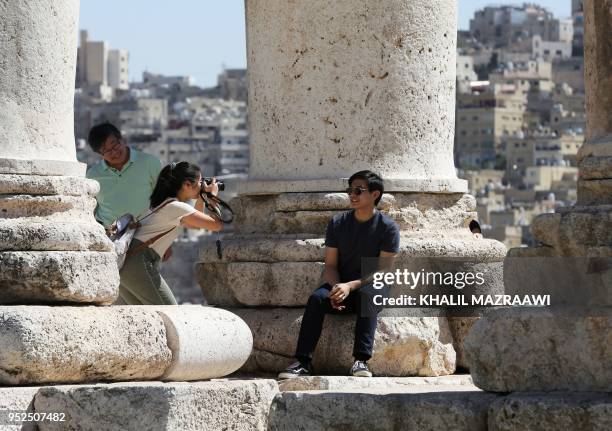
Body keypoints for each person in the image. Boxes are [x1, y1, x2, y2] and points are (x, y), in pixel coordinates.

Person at [278, 170, 400, 379]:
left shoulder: (388, 228)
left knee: (367, 295)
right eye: (350, 190)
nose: (352, 195)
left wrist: (350, 286)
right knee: (317, 299)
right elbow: (331, 266)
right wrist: (336, 289)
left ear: (375, 194)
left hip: (372, 286)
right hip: (341, 285)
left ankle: (361, 361)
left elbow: (383, 270)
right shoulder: (337, 223)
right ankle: (303, 362)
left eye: (358, 191)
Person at [118, 161, 222, 305]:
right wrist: (212, 197)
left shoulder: (164, 204)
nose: (202, 185)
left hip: (125, 264)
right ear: (186, 184)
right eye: (200, 181)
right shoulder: (176, 207)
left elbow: (196, 225)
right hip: (138, 261)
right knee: (170, 312)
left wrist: (202, 198)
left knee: (147, 317)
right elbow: (216, 225)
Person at [86, 123, 162, 230]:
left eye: (115, 145)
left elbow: (164, 198)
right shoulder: (92, 175)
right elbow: (90, 208)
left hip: (145, 234)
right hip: (110, 236)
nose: (114, 152)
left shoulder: (150, 162)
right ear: (100, 154)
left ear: (121, 139)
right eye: (107, 150)